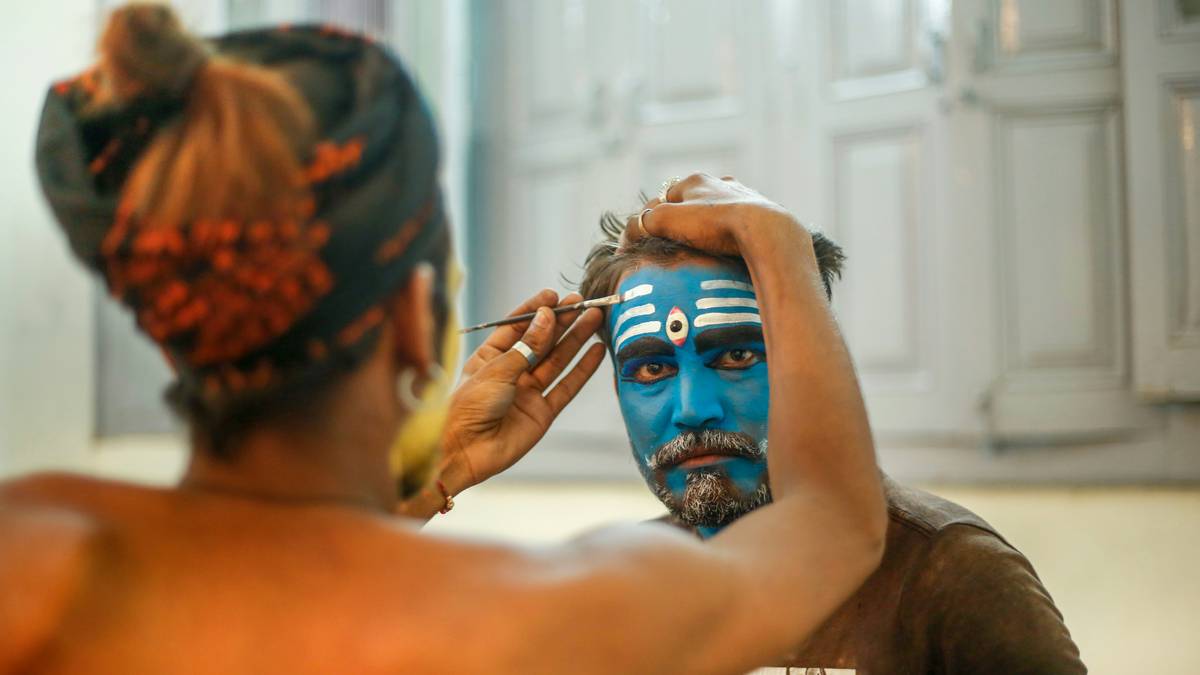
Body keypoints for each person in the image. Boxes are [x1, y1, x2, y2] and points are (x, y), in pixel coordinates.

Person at [0, 5, 886, 673]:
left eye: (732, 352)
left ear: (173, 330)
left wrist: (435, 479)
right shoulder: (544, 614)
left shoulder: (29, 550)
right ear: (412, 319)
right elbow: (836, 523)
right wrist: (776, 246)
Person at [578, 177, 1088, 674]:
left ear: (814, 359)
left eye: (736, 355)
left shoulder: (952, 574)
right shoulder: (630, 590)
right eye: (652, 368)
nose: (692, 408)